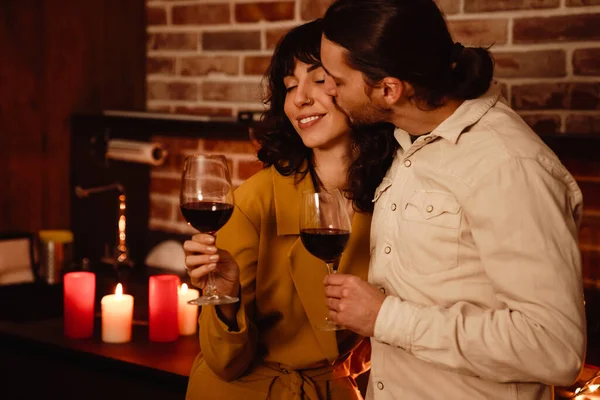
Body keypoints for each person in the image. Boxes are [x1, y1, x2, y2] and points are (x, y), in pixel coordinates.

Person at [319, 1, 586, 399]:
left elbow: (555, 347)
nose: (329, 90)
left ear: (389, 89)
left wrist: (385, 317)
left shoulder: (507, 164)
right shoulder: (406, 141)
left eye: (337, 80)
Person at [184, 19, 397, 400]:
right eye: (288, 86)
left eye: (318, 79)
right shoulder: (253, 202)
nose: (299, 98)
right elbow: (223, 362)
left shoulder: (397, 194)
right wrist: (226, 300)